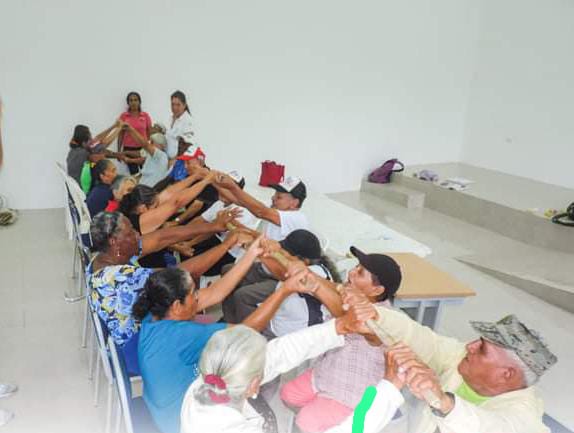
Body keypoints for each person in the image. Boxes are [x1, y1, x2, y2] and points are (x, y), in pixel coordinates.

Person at [132, 261, 316, 433]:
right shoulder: (181, 335)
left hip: (161, 413)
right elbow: (247, 330)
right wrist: (284, 290)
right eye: (193, 294)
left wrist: (252, 253)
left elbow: (215, 293)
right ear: (177, 306)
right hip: (181, 422)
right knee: (264, 417)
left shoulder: (154, 315)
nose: (198, 298)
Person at [180, 306, 406, 433]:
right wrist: (388, 388)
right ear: (253, 386)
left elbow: (279, 353)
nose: (269, 358)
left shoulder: (207, 381)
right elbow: (353, 429)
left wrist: (338, 327)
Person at [350, 297, 558, 433]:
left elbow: (489, 427)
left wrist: (444, 402)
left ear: (507, 374)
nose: (470, 346)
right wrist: (377, 316)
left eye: (483, 349)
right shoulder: (460, 358)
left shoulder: (525, 418)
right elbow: (423, 339)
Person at [280, 247, 402, 433]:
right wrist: (294, 264)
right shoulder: (349, 295)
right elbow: (332, 287)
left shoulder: (381, 318)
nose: (351, 272)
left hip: (354, 393)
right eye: (356, 266)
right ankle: (324, 417)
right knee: (288, 394)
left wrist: (313, 282)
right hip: (328, 372)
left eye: (360, 273)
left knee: (305, 422)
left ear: (377, 290)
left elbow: (345, 312)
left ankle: (342, 422)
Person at [86, 210, 242, 346]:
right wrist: (227, 244)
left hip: (143, 330)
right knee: (205, 313)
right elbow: (181, 274)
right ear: (114, 242)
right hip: (142, 344)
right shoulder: (122, 277)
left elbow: (161, 237)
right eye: (130, 232)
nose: (137, 234)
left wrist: (213, 226)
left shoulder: (104, 257)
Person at [188, 170, 260, 276]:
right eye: (222, 185)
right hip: (217, 240)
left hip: (231, 252)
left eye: (228, 186)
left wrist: (189, 243)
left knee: (190, 258)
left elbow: (215, 229)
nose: (223, 189)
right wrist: (181, 233)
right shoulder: (220, 203)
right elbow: (201, 220)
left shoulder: (242, 210)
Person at [216, 174, 309, 242]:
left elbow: (260, 211)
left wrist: (233, 187)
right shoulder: (275, 211)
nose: (273, 198)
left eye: (279, 197)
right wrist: (214, 182)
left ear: (294, 203)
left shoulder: (297, 218)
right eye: (274, 194)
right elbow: (241, 202)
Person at [66, 121, 124, 185]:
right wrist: (120, 128)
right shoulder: (83, 153)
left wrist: (114, 126)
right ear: (84, 143)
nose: (92, 140)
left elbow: (97, 139)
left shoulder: (74, 149)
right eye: (90, 139)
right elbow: (105, 144)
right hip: (84, 187)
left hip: (75, 184)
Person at [117, 91, 152, 174]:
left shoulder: (145, 115)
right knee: (134, 173)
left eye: (136, 100)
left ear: (139, 102)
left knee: (146, 172)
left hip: (143, 148)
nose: (133, 102)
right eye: (131, 100)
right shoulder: (124, 116)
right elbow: (120, 134)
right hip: (128, 149)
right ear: (128, 103)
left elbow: (150, 132)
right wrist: (119, 151)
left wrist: (148, 146)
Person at [165, 90, 194, 159]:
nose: (174, 107)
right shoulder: (170, 118)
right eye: (173, 104)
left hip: (179, 160)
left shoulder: (188, 121)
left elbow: (187, 146)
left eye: (178, 105)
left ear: (184, 105)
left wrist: (175, 160)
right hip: (168, 159)